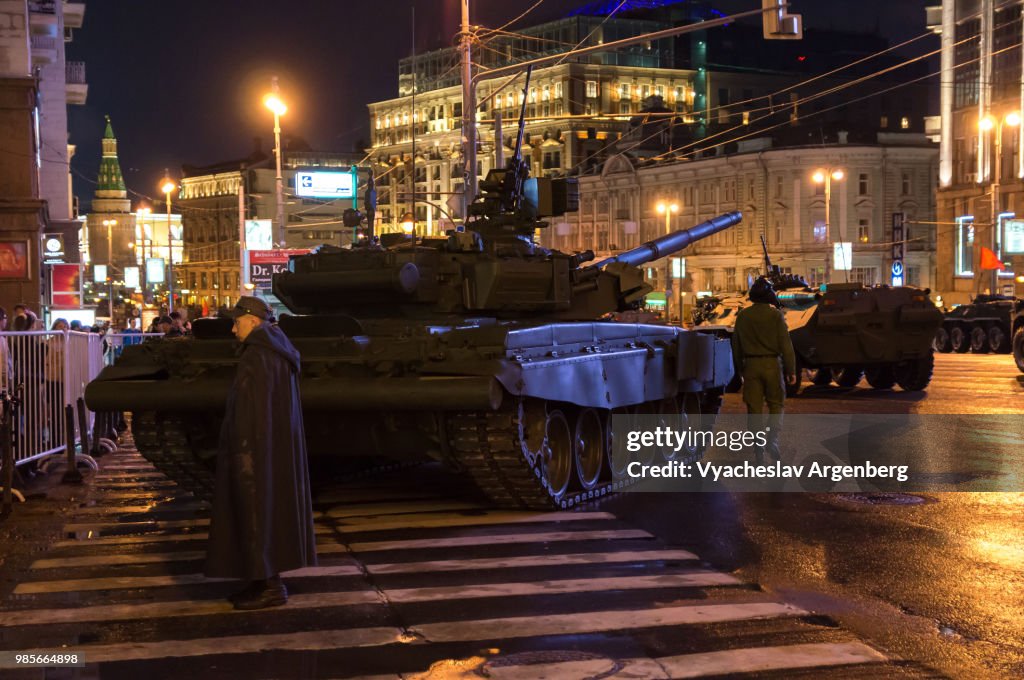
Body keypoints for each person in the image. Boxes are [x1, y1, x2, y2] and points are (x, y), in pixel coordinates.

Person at [204, 295, 316, 610]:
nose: (232, 329)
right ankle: (261, 579)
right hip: (270, 445)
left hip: (253, 447)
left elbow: (251, 410)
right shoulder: (276, 350)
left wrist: (242, 451)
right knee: (267, 512)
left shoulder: (258, 355)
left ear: (253, 322)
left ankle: (268, 585)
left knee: (255, 511)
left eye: (236, 322)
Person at [731, 277, 796, 459]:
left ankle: (758, 449)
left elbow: (736, 345)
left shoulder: (743, 316)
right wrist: (791, 370)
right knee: (776, 404)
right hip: (772, 365)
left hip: (750, 366)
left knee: (754, 409)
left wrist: (739, 370)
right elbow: (786, 345)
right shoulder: (775, 315)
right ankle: (772, 439)